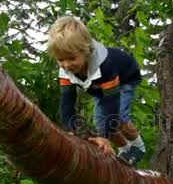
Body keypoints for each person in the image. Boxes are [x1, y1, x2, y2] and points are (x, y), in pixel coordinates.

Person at [47, 16, 146, 166]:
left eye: (71, 58)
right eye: (60, 60)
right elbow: (67, 103)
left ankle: (138, 148)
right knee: (101, 122)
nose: (66, 65)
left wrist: (104, 137)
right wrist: (69, 130)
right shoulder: (65, 71)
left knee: (118, 117)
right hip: (99, 87)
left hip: (125, 78)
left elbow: (111, 104)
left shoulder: (105, 65)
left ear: (85, 51)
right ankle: (125, 150)